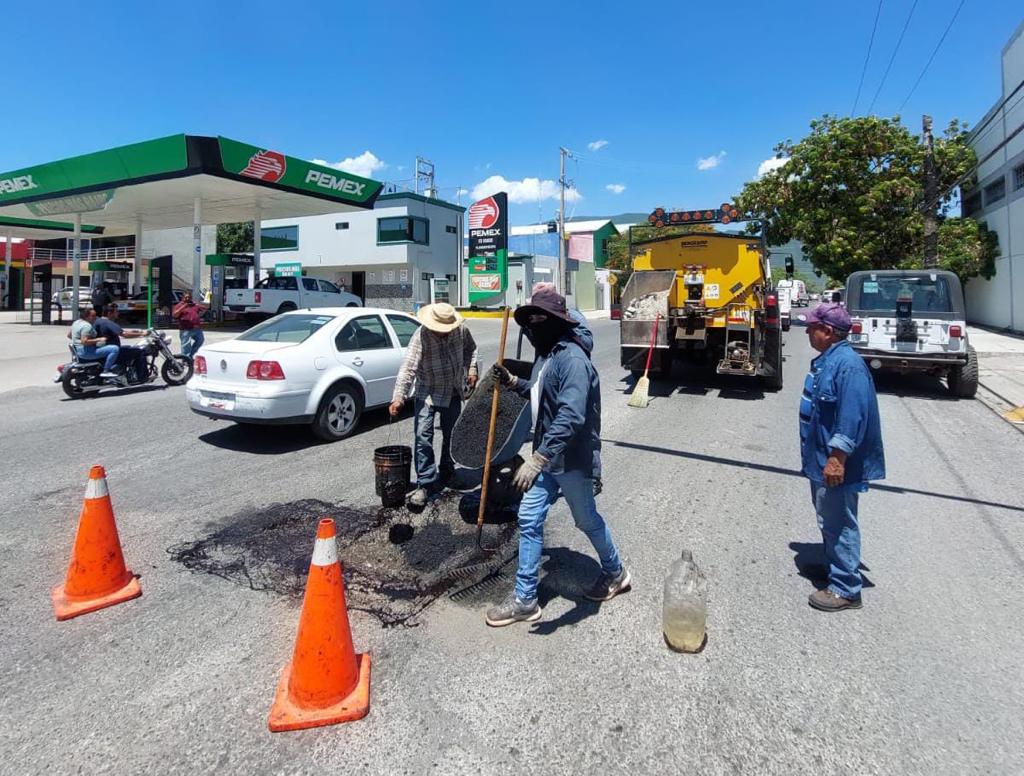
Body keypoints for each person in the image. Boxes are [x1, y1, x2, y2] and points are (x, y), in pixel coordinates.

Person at [486, 286, 628, 627]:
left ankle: (616, 572)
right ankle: (525, 600)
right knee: (529, 517)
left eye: (540, 319)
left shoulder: (573, 360)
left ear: (557, 322)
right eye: (530, 321)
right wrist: (513, 381)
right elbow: (542, 393)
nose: (533, 327)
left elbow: (571, 415)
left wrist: (538, 459)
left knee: (586, 520)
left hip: (571, 461)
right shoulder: (549, 355)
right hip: (548, 458)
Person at [800, 302, 885, 612]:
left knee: (839, 521)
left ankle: (845, 588)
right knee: (828, 516)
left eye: (812, 327)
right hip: (821, 456)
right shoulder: (831, 360)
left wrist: (837, 459)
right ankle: (833, 565)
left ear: (828, 331)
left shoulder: (848, 366)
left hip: (835, 460)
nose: (807, 332)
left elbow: (852, 417)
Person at [389, 302, 479, 507]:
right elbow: (408, 369)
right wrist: (399, 397)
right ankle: (426, 483)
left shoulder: (461, 331)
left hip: (453, 390)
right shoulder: (421, 336)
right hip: (427, 392)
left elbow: (471, 349)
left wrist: (472, 370)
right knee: (423, 436)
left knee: (452, 436)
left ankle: (448, 472)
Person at [95, 303, 148, 381]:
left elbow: (121, 331)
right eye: (116, 311)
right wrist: (142, 334)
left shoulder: (98, 321)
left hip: (105, 350)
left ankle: (128, 372)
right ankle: (142, 377)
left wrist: (136, 332)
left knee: (129, 348)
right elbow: (124, 334)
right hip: (113, 351)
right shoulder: (108, 323)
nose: (118, 313)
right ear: (109, 313)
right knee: (140, 352)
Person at [68, 307, 120, 378]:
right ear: (86, 316)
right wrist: (99, 339)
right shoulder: (87, 326)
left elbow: (69, 335)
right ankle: (106, 371)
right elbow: (84, 342)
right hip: (87, 352)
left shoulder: (76, 323)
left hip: (78, 351)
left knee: (102, 346)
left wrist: (78, 341)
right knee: (114, 349)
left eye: (95, 315)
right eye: (93, 316)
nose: (95, 318)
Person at [173, 291, 206, 359]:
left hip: (197, 328)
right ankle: (185, 359)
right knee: (186, 345)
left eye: (189, 297)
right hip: (185, 329)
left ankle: (189, 356)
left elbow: (205, 308)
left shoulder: (193, 305)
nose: (187, 298)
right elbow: (175, 315)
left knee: (200, 341)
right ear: (183, 298)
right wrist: (183, 307)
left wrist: (198, 305)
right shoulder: (179, 305)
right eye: (186, 297)